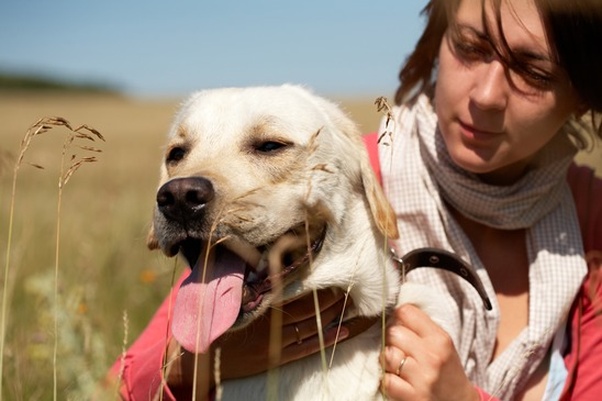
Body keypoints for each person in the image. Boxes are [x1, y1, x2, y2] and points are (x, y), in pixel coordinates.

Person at [108, 0, 602, 399]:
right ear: (437, 44)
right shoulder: (351, 168)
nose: (487, 95)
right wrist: (202, 366)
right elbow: (124, 383)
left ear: (584, 91)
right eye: (470, 48)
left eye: (533, 73)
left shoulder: (593, 220)